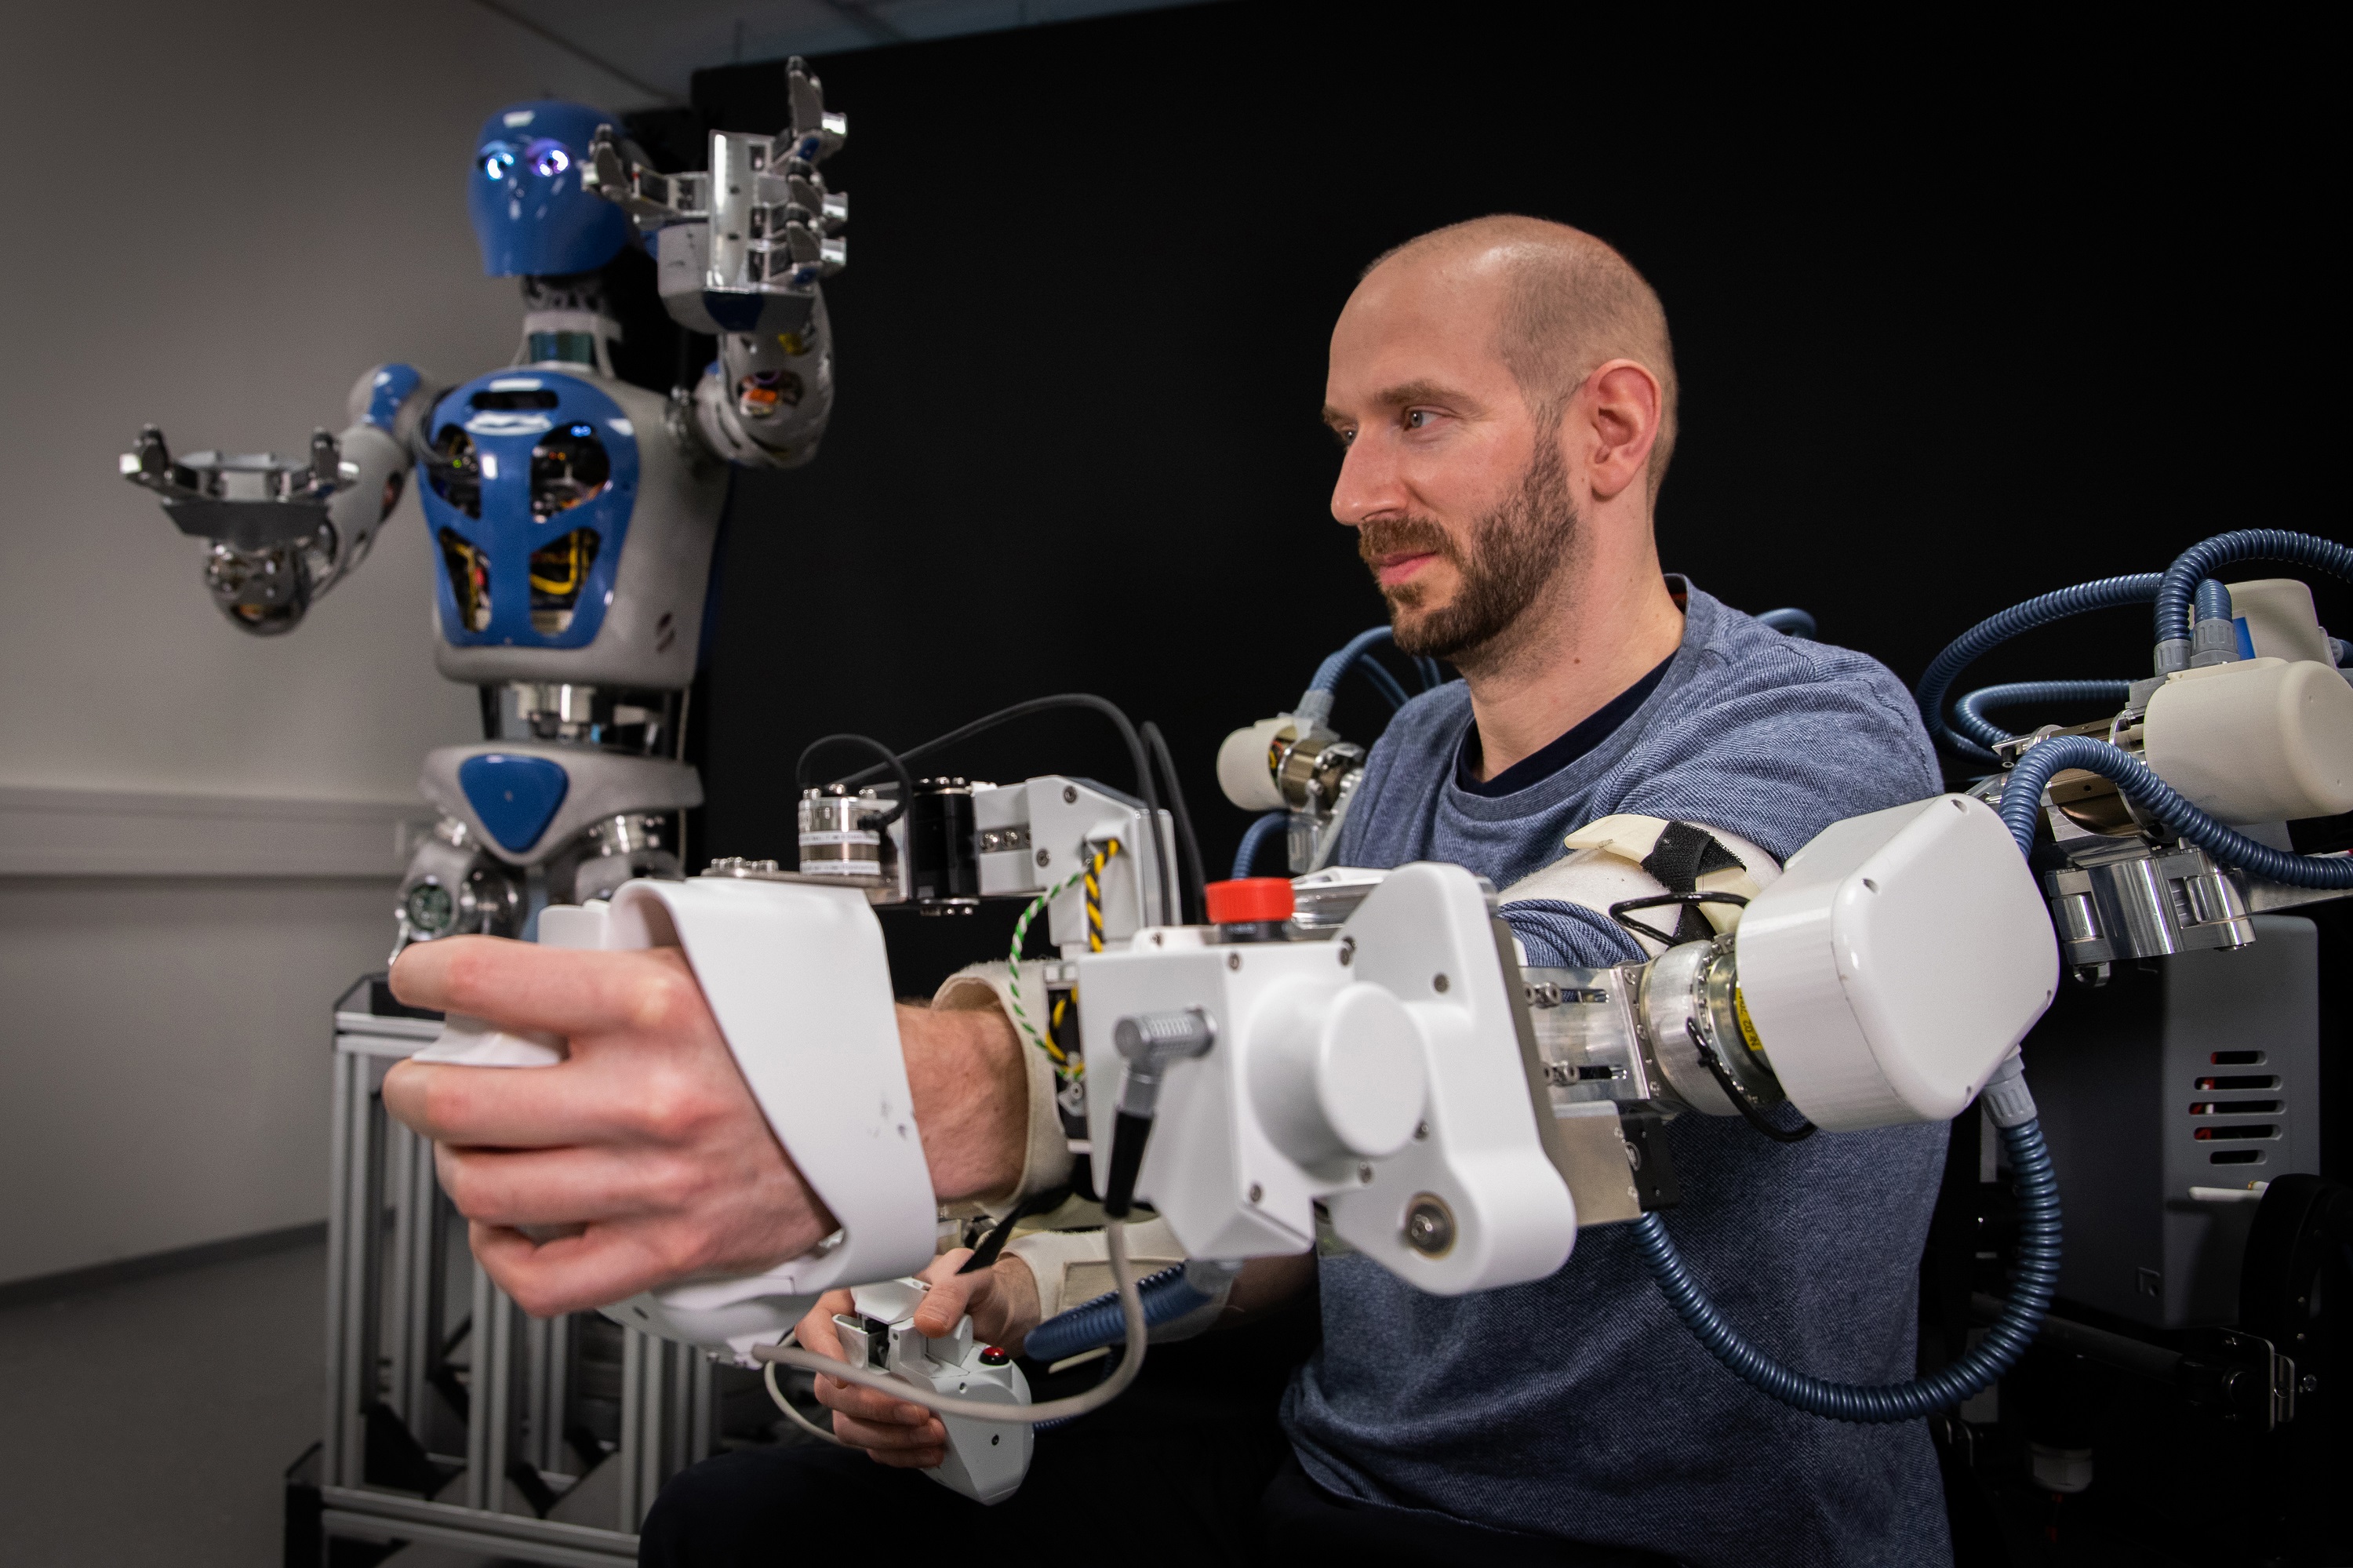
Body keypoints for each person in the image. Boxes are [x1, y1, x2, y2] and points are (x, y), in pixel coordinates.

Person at [385, 215, 1954, 1566]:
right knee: (741, 1528)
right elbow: (1302, 1185)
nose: (1354, 493)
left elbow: (1564, 999)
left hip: (1656, 1535)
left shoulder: (1817, 730)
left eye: (1419, 417)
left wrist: (955, 1086)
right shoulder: (1409, 758)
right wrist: (1032, 1291)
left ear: (1610, 430)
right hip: (1339, 1475)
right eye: (1346, 431)